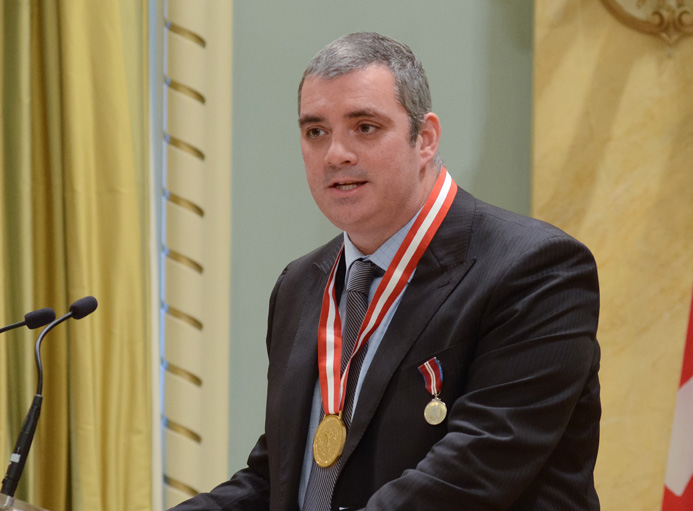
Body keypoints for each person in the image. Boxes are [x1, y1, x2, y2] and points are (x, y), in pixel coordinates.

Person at [170, 32, 600, 511]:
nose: (336, 154)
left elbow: (470, 476)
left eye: (365, 127)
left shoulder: (536, 270)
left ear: (426, 138)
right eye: (316, 132)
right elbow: (279, 480)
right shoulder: (300, 284)